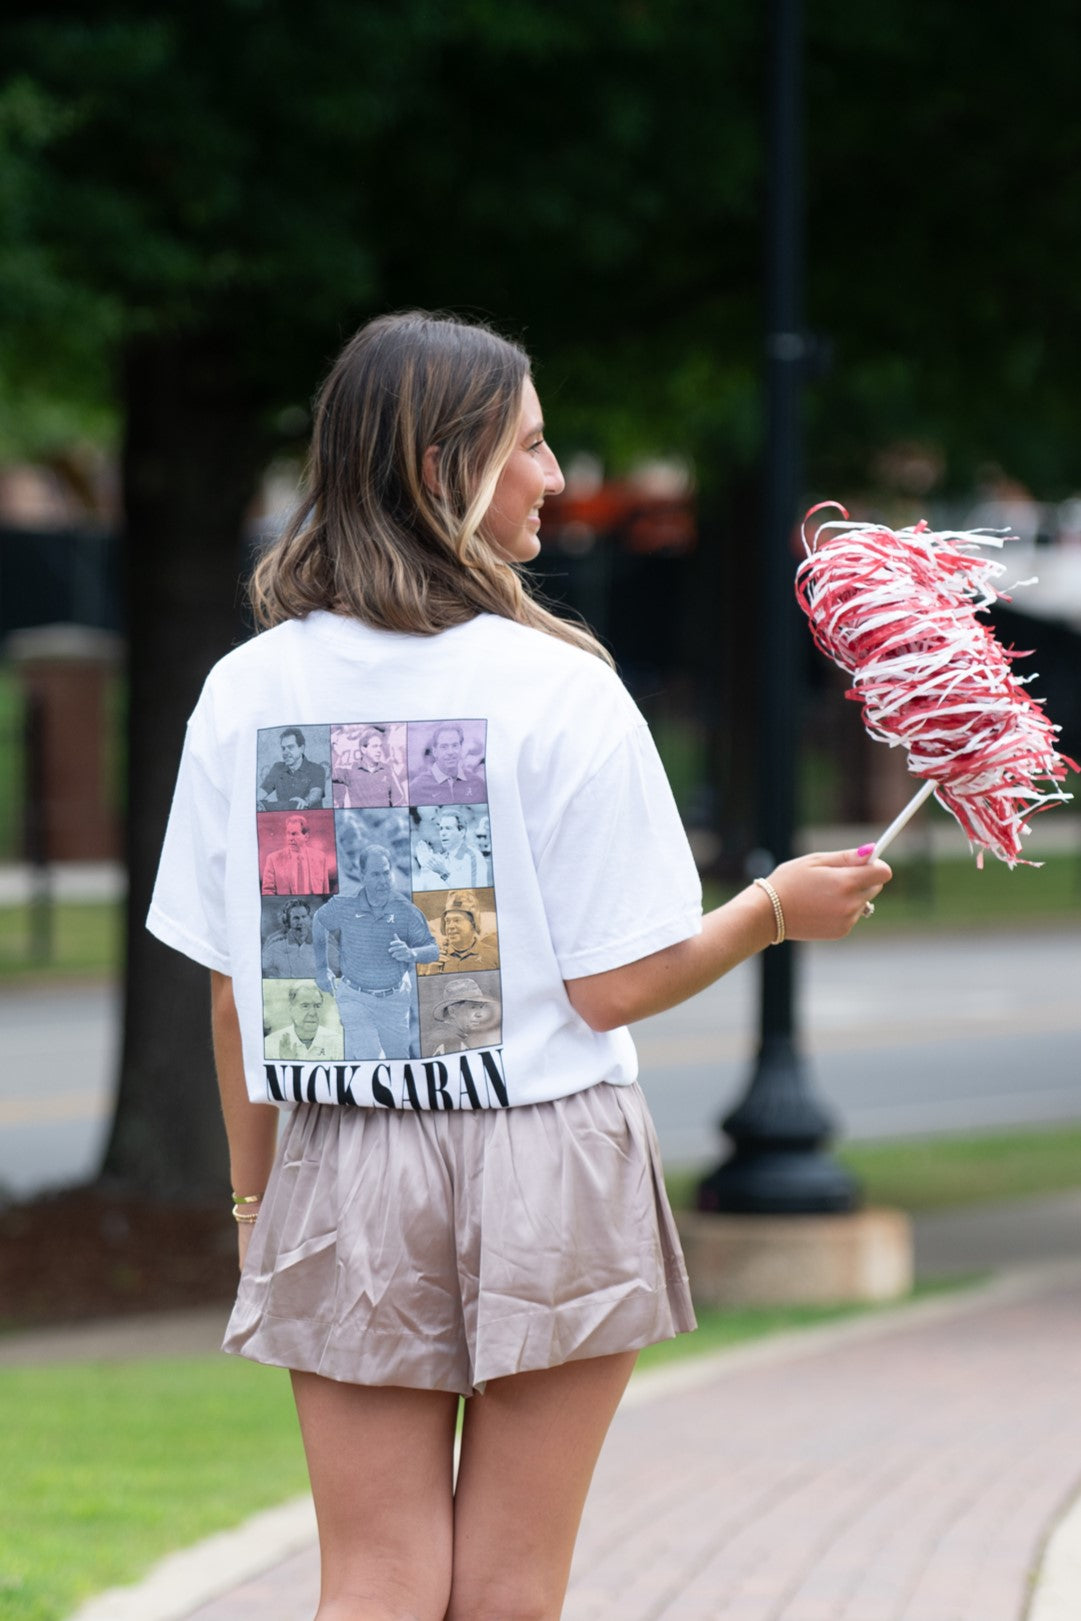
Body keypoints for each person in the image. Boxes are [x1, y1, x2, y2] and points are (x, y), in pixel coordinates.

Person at [147, 310, 890, 1621]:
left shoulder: (245, 691)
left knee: (371, 1579)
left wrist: (259, 1209)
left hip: (343, 1151)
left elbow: (229, 993)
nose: (554, 477)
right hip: (551, 1149)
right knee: (508, 1591)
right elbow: (614, 984)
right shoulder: (565, 687)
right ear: (446, 468)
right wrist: (770, 910)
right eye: (532, 447)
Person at [312, 843, 439, 1058]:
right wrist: (321, 968)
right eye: (375, 874)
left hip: (394, 1000)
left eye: (386, 873)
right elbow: (319, 920)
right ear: (362, 876)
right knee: (371, 1056)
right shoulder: (345, 905)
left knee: (398, 1060)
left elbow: (434, 950)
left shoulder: (406, 910)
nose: (383, 880)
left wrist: (412, 954)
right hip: (354, 997)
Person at [332, 724, 407, 808]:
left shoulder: (388, 770)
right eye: (375, 746)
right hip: (359, 819)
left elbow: (399, 803)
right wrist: (333, 751)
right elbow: (326, 774)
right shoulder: (350, 770)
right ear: (363, 749)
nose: (379, 750)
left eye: (380, 746)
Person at [411, 721, 487, 803]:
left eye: (455, 745)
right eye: (444, 747)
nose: (450, 752)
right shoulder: (417, 787)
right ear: (435, 751)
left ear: (461, 748)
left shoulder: (478, 784)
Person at [265, 982, 343, 1060]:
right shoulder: (270, 1044)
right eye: (305, 1006)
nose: (312, 1013)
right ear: (291, 1009)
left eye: (317, 1006)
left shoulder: (338, 1043)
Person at [260, 814, 333, 896]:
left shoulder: (320, 858)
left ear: (306, 837)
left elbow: (326, 892)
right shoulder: (273, 859)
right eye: (288, 833)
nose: (290, 838)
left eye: (294, 834)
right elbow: (267, 892)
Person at [418, 901, 499, 974]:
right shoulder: (430, 960)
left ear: (473, 924)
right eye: (447, 921)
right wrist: (429, 976)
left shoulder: (494, 956)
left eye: (457, 920)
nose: (450, 926)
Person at [429, 974, 501, 1055]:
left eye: (481, 1007)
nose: (480, 1015)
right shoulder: (452, 1043)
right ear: (452, 1011)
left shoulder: (444, 1036)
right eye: (473, 1007)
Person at [259, 727, 328, 810]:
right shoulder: (277, 768)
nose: (285, 752)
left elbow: (316, 793)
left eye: (290, 747)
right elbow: (261, 793)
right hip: (286, 819)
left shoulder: (317, 769)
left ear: (301, 748)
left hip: (310, 818)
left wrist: (305, 802)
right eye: (283, 748)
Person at [262, 900, 318, 979]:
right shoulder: (276, 945)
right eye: (296, 918)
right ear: (287, 921)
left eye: (304, 917)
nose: (301, 922)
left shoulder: (321, 943)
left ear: (309, 919)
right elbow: (261, 968)